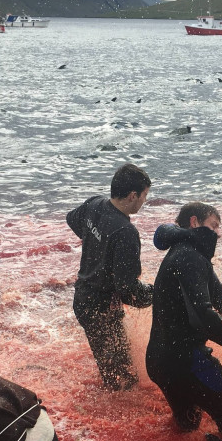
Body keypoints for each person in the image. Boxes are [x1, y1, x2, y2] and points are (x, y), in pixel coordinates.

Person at [146, 203, 222, 441]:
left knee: (187, 427)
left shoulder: (181, 252)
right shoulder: (191, 257)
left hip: (159, 362)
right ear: (194, 222)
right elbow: (203, 312)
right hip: (188, 363)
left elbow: (221, 297)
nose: (218, 233)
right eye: (214, 226)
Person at [67, 164, 153, 391]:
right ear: (133, 195)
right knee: (123, 380)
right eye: (144, 196)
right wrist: (155, 294)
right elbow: (127, 290)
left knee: (114, 367)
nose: (144, 201)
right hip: (101, 310)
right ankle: (105, 417)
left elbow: (71, 218)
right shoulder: (126, 232)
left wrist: (95, 243)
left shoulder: (95, 203)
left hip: (82, 299)